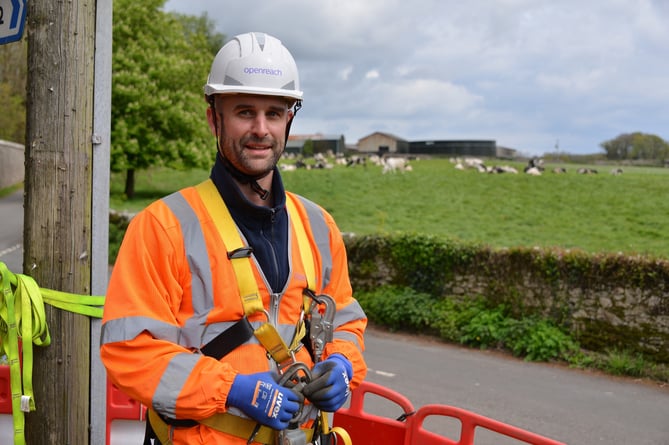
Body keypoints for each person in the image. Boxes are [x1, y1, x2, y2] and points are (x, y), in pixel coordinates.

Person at [100, 32, 368, 445]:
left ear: (288, 121)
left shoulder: (318, 226)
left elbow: (345, 320)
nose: (261, 129)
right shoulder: (162, 228)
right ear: (214, 119)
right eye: (245, 112)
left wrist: (342, 365)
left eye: (274, 114)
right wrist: (232, 389)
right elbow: (130, 352)